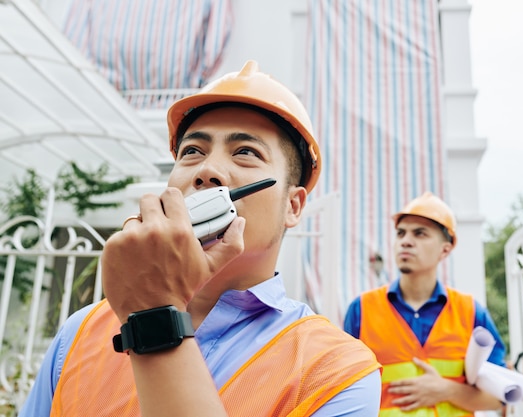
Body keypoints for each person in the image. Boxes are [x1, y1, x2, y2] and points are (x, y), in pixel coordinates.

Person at [20, 60, 381, 416]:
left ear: (293, 205)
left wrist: (153, 316)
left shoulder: (336, 372)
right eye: (192, 152)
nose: (208, 170)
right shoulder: (80, 332)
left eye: (246, 153)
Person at [343, 192, 506, 416]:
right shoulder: (361, 309)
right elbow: (344, 391)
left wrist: (448, 390)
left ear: (445, 249)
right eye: (401, 233)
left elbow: (499, 398)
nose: (406, 241)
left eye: (420, 234)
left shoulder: (470, 312)